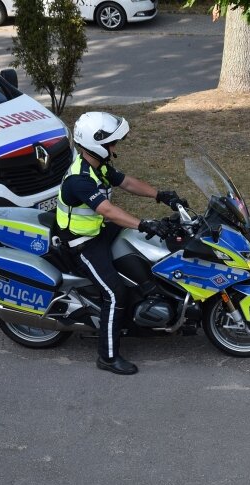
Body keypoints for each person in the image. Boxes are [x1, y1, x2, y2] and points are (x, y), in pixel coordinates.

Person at [56, 111, 183, 375]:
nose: (114, 148)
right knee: (114, 294)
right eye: (111, 143)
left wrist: (161, 195)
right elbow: (108, 211)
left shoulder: (97, 166)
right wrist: (143, 223)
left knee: (147, 245)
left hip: (99, 232)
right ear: (96, 143)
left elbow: (126, 182)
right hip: (82, 245)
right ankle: (108, 356)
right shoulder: (80, 179)